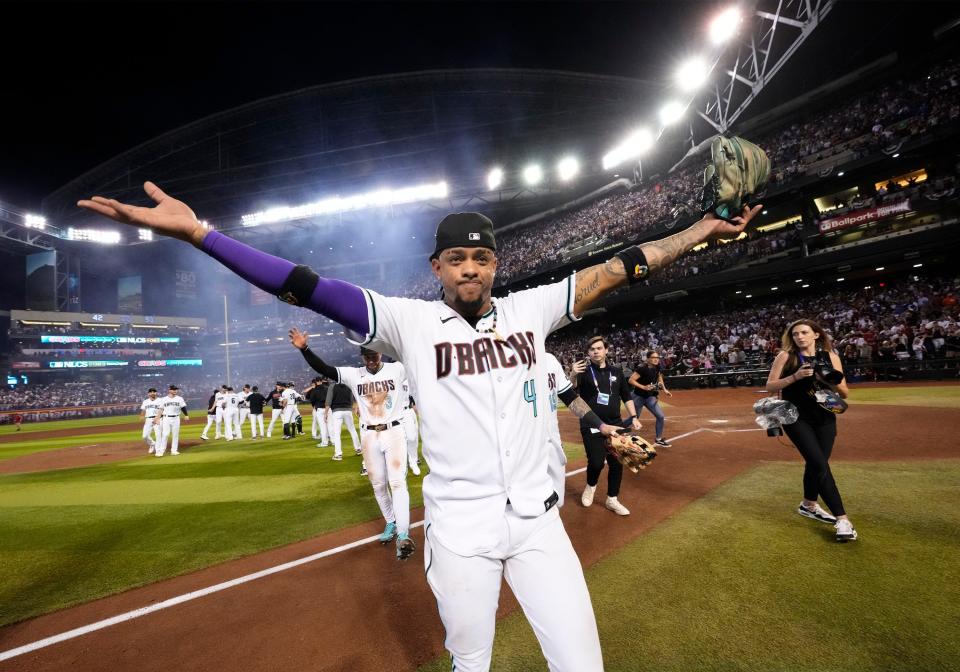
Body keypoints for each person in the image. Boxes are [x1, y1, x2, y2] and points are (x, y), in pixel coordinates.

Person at [79, 180, 760, 671]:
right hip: (460, 531)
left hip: (537, 524)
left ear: (496, 265)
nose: (470, 267)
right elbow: (304, 285)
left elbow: (624, 267)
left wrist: (702, 230)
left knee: (582, 665)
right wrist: (202, 234)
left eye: (482, 257)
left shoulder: (532, 310)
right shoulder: (405, 322)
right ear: (436, 268)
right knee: (471, 662)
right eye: (457, 259)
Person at [292, 334, 414, 559]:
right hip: (369, 435)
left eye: (374, 355)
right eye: (367, 356)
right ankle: (390, 522)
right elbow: (326, 369)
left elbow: (417, 353)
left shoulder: (397, 369)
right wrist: (305, 349)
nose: (371, 360)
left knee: (397, 482)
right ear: (362, 357)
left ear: (380, 353)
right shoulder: (353, 374)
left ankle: (404, 534)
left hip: (394, 431)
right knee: (378, 485)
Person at [765, 319, 857, 542]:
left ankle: (808, 504)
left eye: (804, 332)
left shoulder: (831, 357)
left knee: (816, 463)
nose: (799, 337)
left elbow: (844, 393)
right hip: (795, 417)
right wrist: (795, 377)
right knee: (819, 463)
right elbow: (770, 386)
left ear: (816, 335)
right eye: (795, 334)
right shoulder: (786, 356)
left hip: (825, 416)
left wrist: (826, 380)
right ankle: (842, 519)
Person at [570, 336, 642, 515]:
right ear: (588, 353)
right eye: (592, 349)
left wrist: (634, 416)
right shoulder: (584, 371)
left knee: (617, 463)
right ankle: (591, 486)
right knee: (596, 462)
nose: (596, 351)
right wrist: (572, 374)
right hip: (591, 424)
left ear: (606, 350)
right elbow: (570, 391)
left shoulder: (617, 372)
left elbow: (626, 396)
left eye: (599, 348)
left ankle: (612, 499)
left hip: (615, 424)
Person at [542, 351, 622, 507]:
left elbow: (570, 396)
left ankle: (612, 498)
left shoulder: (550, 360)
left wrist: (601, 425)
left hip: (552, 442)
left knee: (556, 501)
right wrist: (573, 374)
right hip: (523, 445)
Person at [628, 350, 673, 448]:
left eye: (657, 358)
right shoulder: (642, 368)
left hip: (650, 397)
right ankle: (614, 431)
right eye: (653, 357)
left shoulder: (657, 367)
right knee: (634, 418)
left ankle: (658, 439)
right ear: (648, 359)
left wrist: (664, 390)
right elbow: (631, 380)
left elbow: (659, 377)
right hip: (638, 397)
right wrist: (643, 387)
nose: (656, 359)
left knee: (660, 416)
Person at [324, 378, 361, 462]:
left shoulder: (332, 386)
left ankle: (338, 454)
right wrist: (352, 408)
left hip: (336, 412)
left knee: (337, 433)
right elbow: (352, 399)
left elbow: (328, 401)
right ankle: (358, 449)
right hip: (348, 410)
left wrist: (325, 413)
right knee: (352, 430)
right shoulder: (349, 386)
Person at [156, 384, 189, 457]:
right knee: (165, 434)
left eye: (176, 389)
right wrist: (157, 418)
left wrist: (186, 415)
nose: (175, 390)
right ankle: (161, 451)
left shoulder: (180, 398)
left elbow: (183, 407)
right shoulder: (164, 399)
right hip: (166, 418)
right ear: (169, 390)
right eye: (173, 389)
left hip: (176, 418)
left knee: (175, 435)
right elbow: (161, 409)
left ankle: (174, 450)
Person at [400, 381, 421, 476]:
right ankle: (402, 465)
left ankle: (413, 462)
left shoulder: (407, 379)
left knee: (412, 437)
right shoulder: (389, 375)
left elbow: (413, 395)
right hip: (394, 412)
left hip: (406, 410)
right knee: (397, 440)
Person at [139, 387, 163, 454]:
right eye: (151, 392)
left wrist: (158, 418)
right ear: (148, 393)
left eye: (154, 392)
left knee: (158, 435)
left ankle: (158, 450)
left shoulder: (160, 400)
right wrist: (141, 415)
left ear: (156, 393)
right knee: (145, 436)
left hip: (158, 419)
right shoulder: (145, 401)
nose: (153, 393)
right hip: (148, 419)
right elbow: (143, 410)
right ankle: (152, 444)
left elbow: (162, 410)